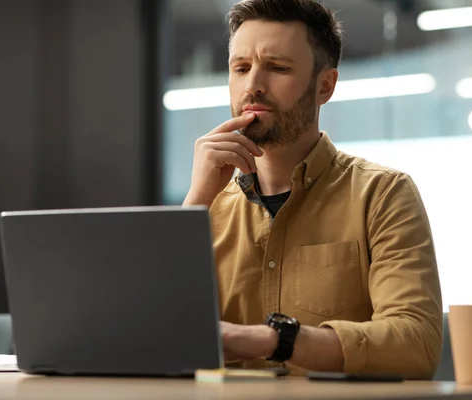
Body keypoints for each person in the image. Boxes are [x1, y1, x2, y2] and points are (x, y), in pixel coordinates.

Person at [183, 0, 443, 379]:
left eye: (277, 68)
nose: (253, 85)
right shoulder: (205, 205)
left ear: (325, 85)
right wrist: (195, 205)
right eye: (240, 68)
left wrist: (273, 340)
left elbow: (416, 343)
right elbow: (137, 335)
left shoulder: (383, 194)